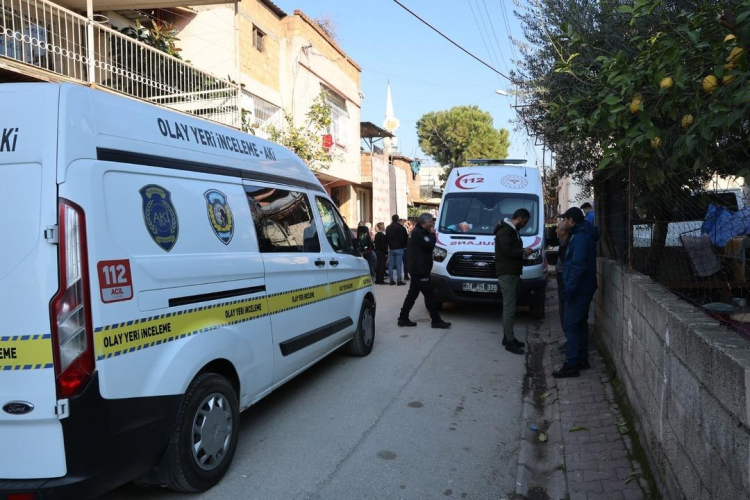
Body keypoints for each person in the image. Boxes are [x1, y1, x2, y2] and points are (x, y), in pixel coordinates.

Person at [553, 207, 600, 378]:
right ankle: (581, 359)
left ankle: (571, 364)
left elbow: (577, 266)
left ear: (571, 221)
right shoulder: (582, 234)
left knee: (572, 325)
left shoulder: (580, 237)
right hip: (584, 287)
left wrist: (569, 289)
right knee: (580, 324)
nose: (563, 222)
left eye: (565, 219)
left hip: (579, 289)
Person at [397, 213, 452, 329]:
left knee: (412, 295)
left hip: (417, 268)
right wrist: (432, 234)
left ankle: (403, 318)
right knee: (429, 294)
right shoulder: (418, 233)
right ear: (425, 222)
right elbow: (430, 245)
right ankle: (436, 320)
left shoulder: (417, 232)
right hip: (420, 269)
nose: (432, 224)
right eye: (431, 221)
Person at [494, 208, 534, 355]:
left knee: (510, 306)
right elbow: (507, 251)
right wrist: (523, 252)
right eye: (525, 221)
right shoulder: (505, 231)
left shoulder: (512, 231)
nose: (525, 224)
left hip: (512, 272)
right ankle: (509, 341)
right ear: (519, 218)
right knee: (509, 307)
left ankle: (508, 337)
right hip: (508, 273)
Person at [555, 219, 570, 353]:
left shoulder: (568, 244)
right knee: (562, 308)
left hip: (565, 279)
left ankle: (569, 341)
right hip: (562, 278)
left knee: (565, 309)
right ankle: (568, 339)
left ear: (563, 231)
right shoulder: (563, 242)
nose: (555, 231)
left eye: (557, 228)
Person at [386, 214, 408, 285]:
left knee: (391, 265)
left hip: (391, 248)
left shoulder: (388, 227)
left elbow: (387, 238)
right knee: (399, 265)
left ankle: (391, 280)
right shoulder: (400, 227)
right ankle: (399, 280)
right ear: (398, 219)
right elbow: (402, 238)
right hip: (399, 248)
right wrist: (403, 246)